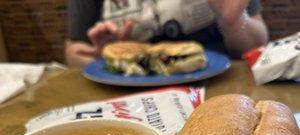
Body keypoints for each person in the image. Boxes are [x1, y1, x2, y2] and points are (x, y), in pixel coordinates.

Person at [66, 0, 269, 68]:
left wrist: (233, 21)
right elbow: (72, 52)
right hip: (125, 90)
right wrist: (109, 57)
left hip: (220, 84)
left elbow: (256, 47)